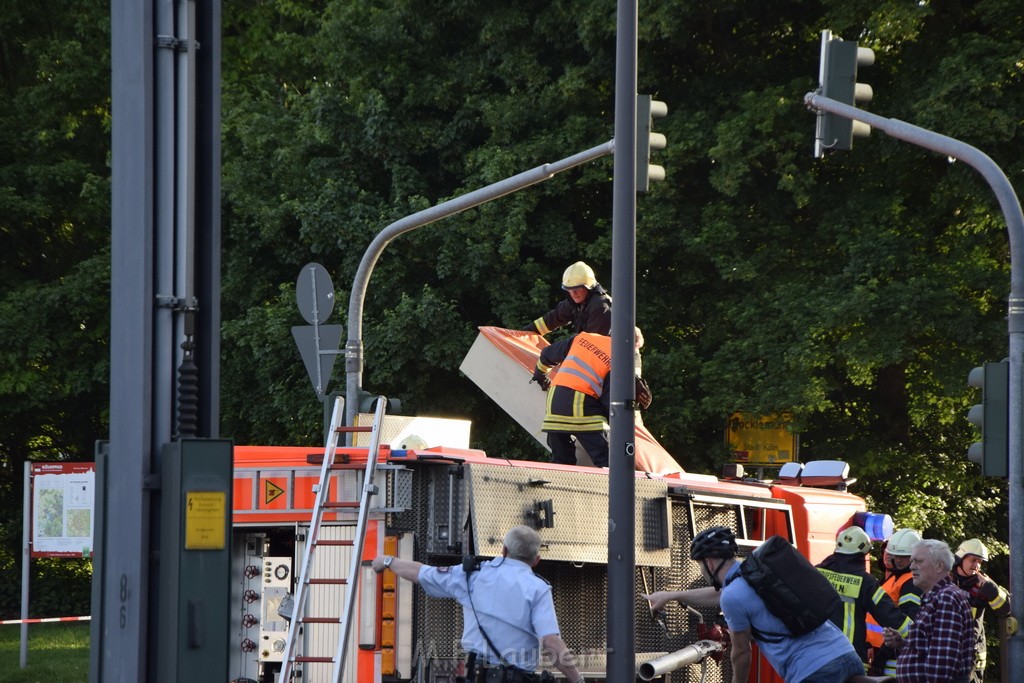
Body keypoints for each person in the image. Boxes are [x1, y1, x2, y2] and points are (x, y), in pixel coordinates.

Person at [371, 525, 585, 683]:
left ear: (503, 550)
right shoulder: (538, 588)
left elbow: (422, 573)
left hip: (475, 676)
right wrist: (577, 680)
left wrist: (388, 561)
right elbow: (550, 642)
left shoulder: (471, 576)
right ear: (536, 560)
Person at [680, 526, 863, 683]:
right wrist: (670, 596)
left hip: (815, 670)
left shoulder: (733, 595)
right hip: (847, 654)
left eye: (700, 566)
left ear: (709, 564)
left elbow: (742, 653)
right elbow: (723, 595)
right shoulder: (757, 573)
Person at [523, 261, 644, 376]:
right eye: (569, 289)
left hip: (623, 364)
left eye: (577, 289)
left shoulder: (601, 307)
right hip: (603, 357)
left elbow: (588, 345)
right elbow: (551, 319)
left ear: (589, 287)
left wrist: (549, 355)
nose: (573, 293)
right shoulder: (576, 301)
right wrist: (523, 334)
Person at [816, 526, 912, 670]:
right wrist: (916, 632)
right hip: (848, 658)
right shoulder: (866, 582)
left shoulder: (816, 572)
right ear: (865, 551)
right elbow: (888, 614)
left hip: (814, 656)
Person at [882, 539, 975, 683]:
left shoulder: (946, 599)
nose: (912, 566)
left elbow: (942, 668)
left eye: (918, 561)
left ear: (939, 566)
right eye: (912, 561)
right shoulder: (935, 598)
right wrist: (901, 643)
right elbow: (928, 648)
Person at [532, 332, 611, 467]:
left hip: (554, 402)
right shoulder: (621, 357)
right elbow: (609, 399)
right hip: (582, 407)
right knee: (606, 461)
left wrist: (541, 377)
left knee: (562, 462)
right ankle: (613, 488)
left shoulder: (583, 338)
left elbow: (547, 354)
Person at [950, 538, 1012, 682]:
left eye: (980, 561)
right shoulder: (947, 579)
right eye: (973, 560)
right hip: (949, 650)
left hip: (973, 655)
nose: (977, 565)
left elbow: (1005, 610)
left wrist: (989, 587)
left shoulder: (983, 584)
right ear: (960, 558)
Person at [866, 527, 924, 676]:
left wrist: (884, 653)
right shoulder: (894, 577)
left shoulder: (911, 583)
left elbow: (907, 622)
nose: (898, 560)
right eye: (896, 555)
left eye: (904, 556)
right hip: (877, 651)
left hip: (891, 658)